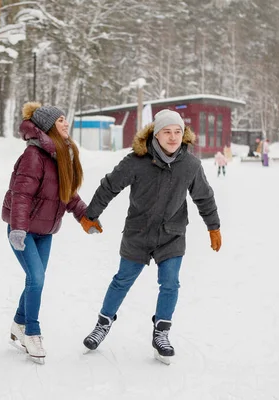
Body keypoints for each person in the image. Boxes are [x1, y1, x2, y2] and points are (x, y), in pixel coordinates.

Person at [79, 109, 222, 362]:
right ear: (156, 135)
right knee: (122, 280)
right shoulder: (136, 161)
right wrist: (91, 214)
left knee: (170, 283)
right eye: (167, 132)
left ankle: (161, 332)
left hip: (172, 234)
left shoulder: (191, 165)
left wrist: (213, 227)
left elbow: (204, 197)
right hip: (138, 232)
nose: (173, 137)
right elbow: (110, 185)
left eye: (178, 132)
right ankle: (103, 324)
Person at [2, 102, 102, 362]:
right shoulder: (33, 156)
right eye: (60, 120)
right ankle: (32, 333)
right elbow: (21, 196)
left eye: (65, 119)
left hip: (44, 232)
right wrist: (19, 229)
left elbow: (67, 194)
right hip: (22, 231)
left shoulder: (60, 154)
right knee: (36, 279)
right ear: (48, 126)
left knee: (35, 280)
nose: (66, 123)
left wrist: (85, 217)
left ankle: (18, 325)